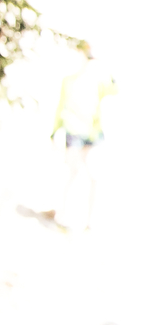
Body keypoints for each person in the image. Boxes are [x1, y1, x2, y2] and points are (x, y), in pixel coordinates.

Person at [52, 39, 117, 232]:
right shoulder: (68, 80)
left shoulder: (99, 80)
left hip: (92, 134)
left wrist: (108, 67)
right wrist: (54, 131)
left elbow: (115, 89)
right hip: (73, 132)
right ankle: (61, 214)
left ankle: (90, 220)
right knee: (70, 173)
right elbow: (60, 107)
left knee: (94, 175)